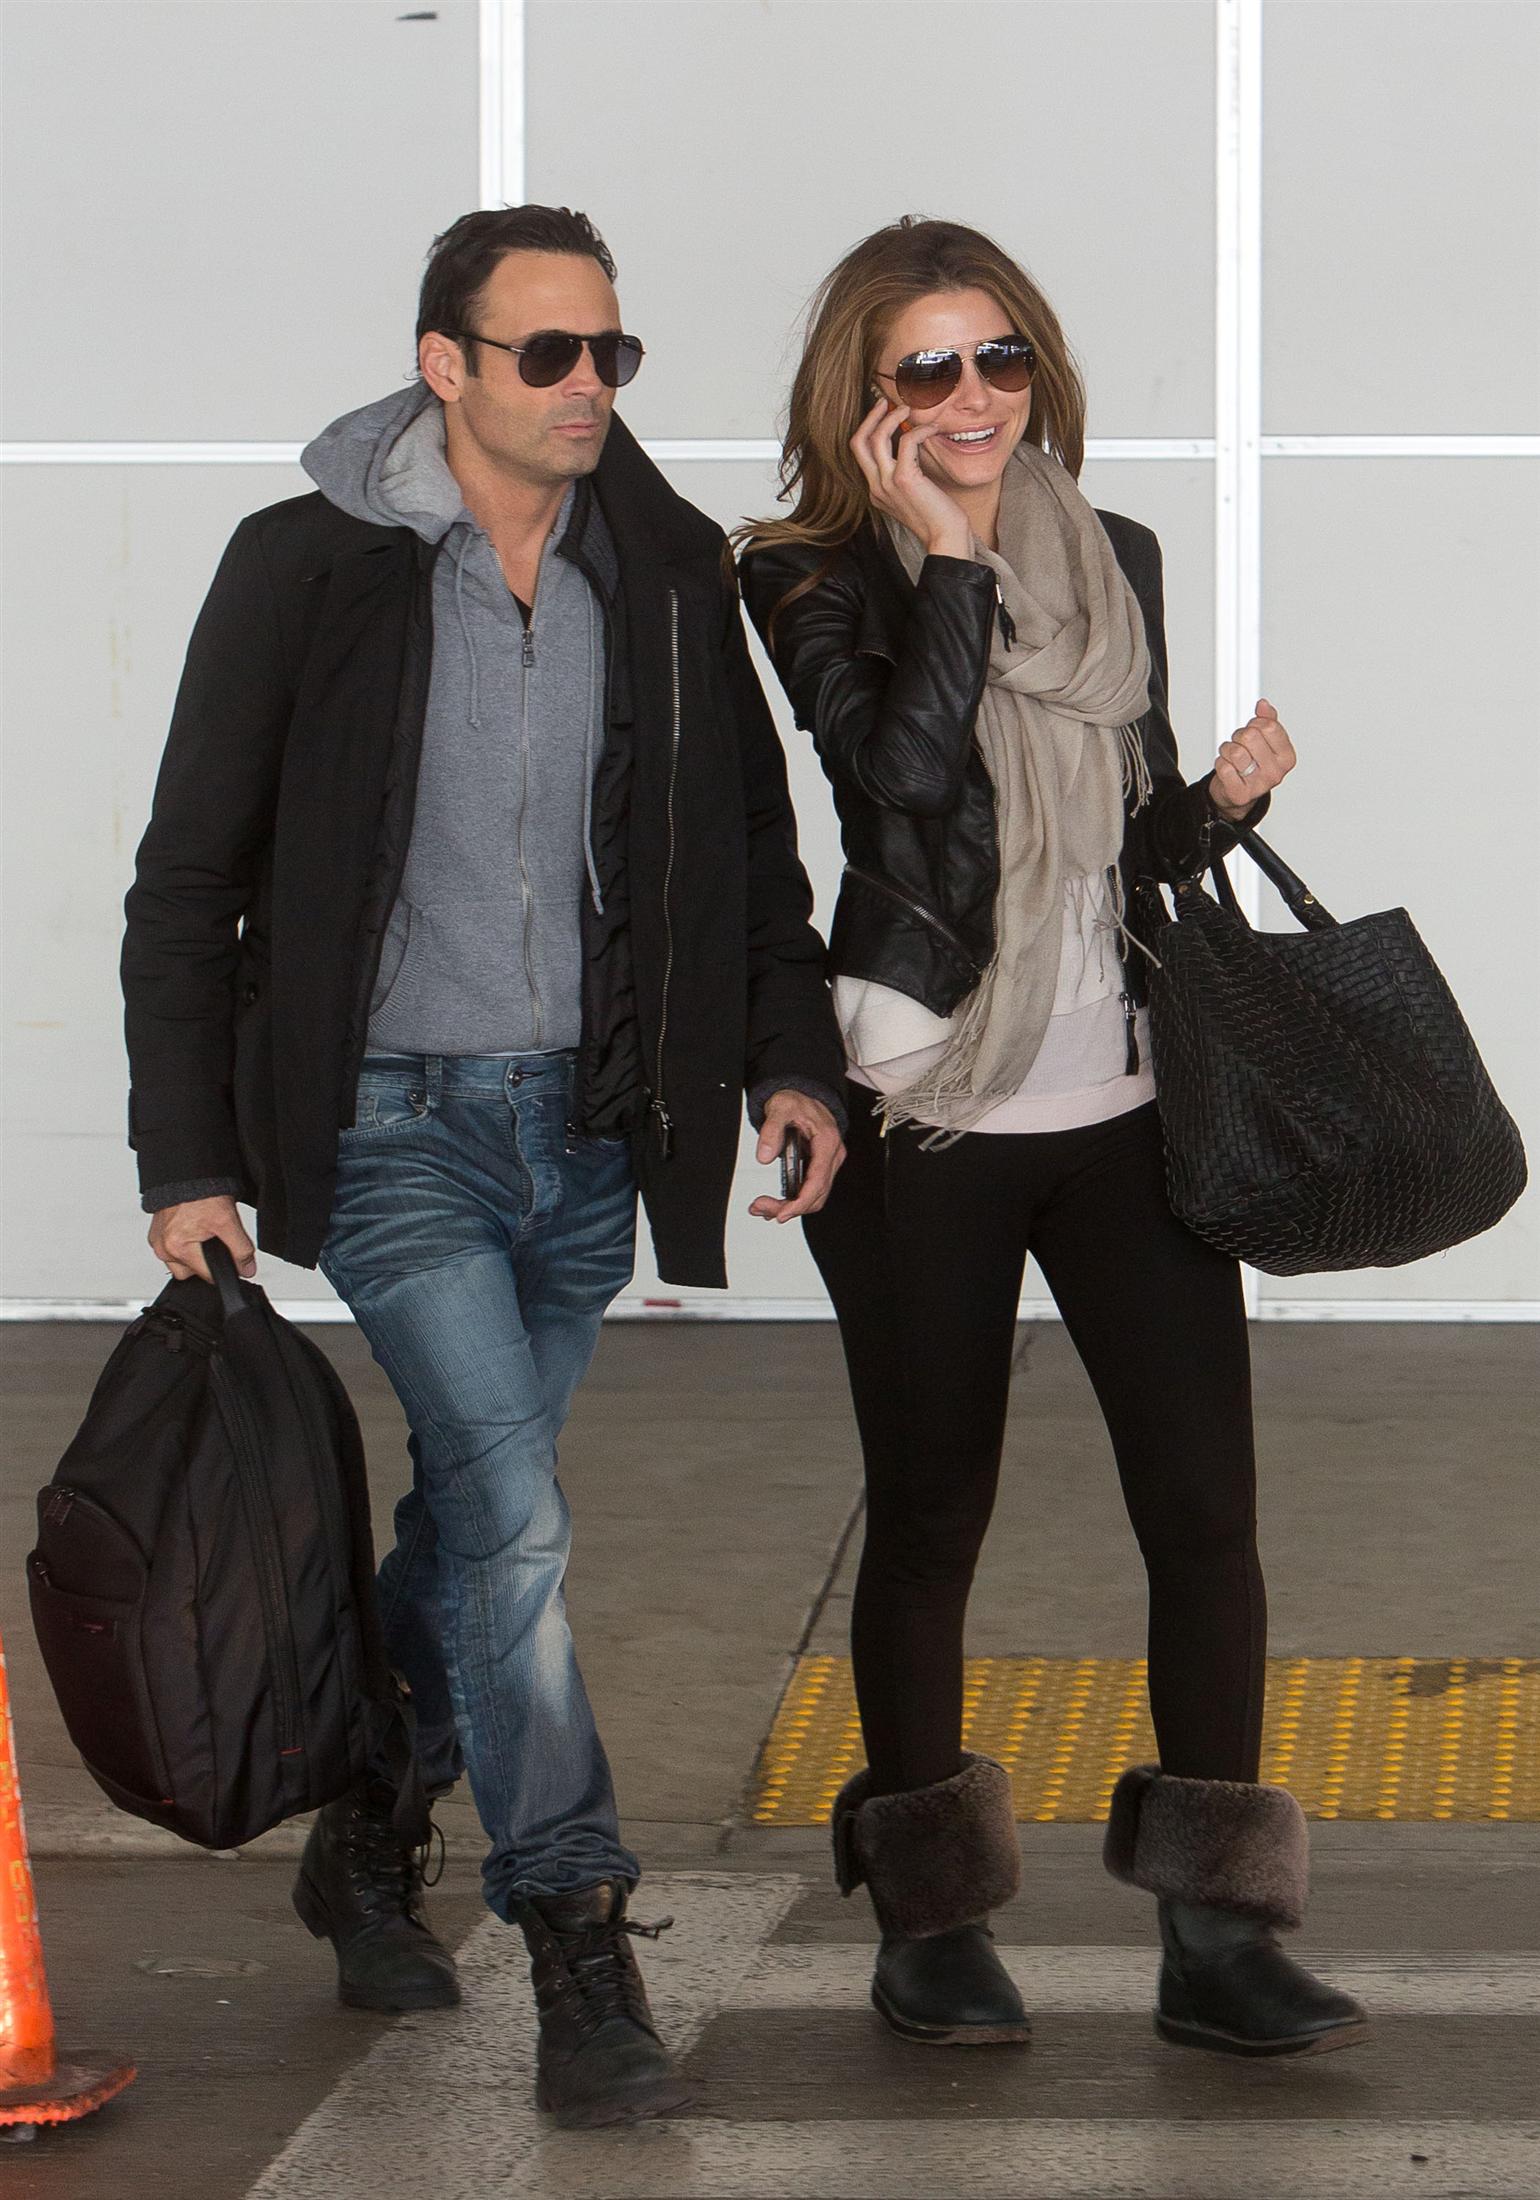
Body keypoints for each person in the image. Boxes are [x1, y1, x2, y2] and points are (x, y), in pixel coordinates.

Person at [122, 203, 846, 2128]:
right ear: (446, 366)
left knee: (463, 1515)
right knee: (519, 1524)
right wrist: (185, 1152)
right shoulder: (307, 570)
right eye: (551, 355)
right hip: (385, 1129)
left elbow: (748, 858)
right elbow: (189, 882)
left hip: (585, 1129)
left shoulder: (668, 573)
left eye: (614, 353)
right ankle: (575, 1935)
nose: (592, 386)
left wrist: (789, 1057)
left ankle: (370, 1821)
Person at [737, 216, 1367, 2059]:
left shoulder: (1117, 556)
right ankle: (930, 1929)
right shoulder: (805, 576)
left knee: (1207, 1520)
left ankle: (1220, 1936)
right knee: (932, 1519)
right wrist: (943, 558)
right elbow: (906, 782)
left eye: (999, 360)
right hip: (929, 1104)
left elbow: (1118, 852)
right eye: (927, 368)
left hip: (1123, 1106)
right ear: (866, 395)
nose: (973, 398)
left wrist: (1211, 806)